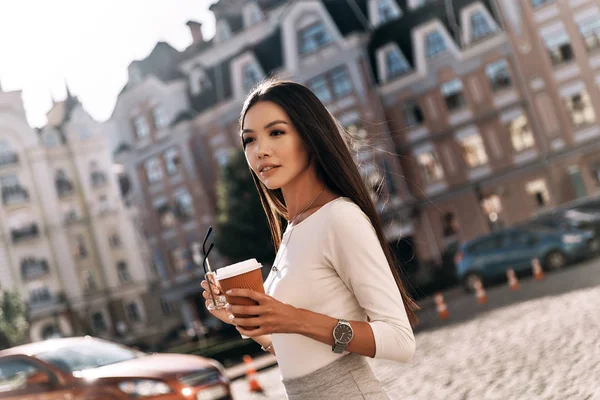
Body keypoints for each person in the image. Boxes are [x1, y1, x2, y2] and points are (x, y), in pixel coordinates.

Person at [201, 79, 417, 399]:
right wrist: (248, 322)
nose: (261, 150)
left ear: (309, 135)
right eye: (249, 140)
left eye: (276, 132)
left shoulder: (339, 218)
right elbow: (302, 351)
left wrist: (294, 319)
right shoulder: (295, 228)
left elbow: (401, 340)